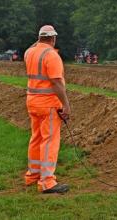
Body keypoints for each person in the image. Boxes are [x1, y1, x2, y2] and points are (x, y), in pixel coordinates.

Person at [24, 25, 71, 194]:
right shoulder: (51, 55)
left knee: (36, 138)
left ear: (39, 38)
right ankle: (47, 182)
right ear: (53, 38)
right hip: (49, 105)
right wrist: (66, 104)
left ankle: (33, 175)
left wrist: (40, 38)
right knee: (49, 141)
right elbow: (57, 83)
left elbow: (33, 46)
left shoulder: (29, 53)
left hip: (32, 102)